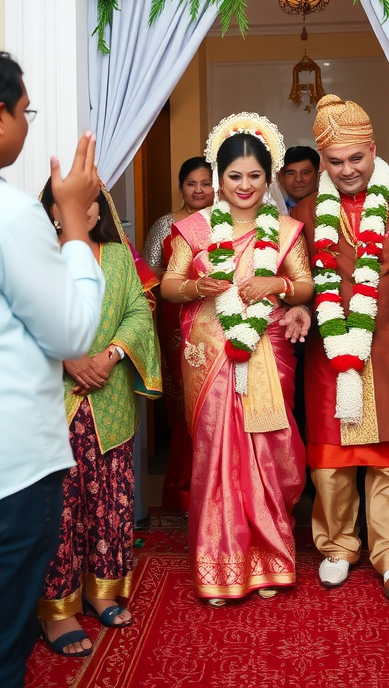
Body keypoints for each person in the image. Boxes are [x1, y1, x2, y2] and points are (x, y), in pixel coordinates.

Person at [161, 113, 314, 606]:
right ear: (218, 178)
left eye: (254, 175)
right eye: (234, 176)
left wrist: (279, 284)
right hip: (211, 352)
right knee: (215, 453)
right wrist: (194, 286)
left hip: (268, 349)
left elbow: (307, 283)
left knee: (271, 449)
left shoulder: (286, 228)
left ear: (268, 177)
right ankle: (221, 562)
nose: (245, 185)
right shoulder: (193, 229)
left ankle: (270, 557)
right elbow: (167, 285)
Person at [293, 94, 389, 602]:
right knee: (330, 460)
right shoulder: (303, 215)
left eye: (357, 158)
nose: (347, 170)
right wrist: (298, 306)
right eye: (335, 161)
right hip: (331, 354)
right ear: (322, 161)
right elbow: (299, 281)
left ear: (373, 151)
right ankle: (337, 547)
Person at [0, 52, 104, 688]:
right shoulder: (11, 214)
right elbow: (69, 330)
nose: (29, 124)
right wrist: (71, 223)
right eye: (25, 111)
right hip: (11, 471)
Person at [38, 179, 161, 656]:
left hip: (108, 401)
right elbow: (22, 316)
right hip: (54, 400)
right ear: (52, 208)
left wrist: (109, 356)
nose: (82, 208)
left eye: (91, 199)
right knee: (60, 507)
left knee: (107, 497)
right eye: (69, 199)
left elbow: (137, 311)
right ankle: (57, 611)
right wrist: (70, 359)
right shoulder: (36, 257)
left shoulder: (115, 256)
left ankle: (99, 590)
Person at [144, 156, 214, 511]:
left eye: (205, 182)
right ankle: (183, 491)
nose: (199, 190)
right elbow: (150, 277)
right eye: (192, 183)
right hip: (176, 322)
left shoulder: (227, 221)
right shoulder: (165, 224)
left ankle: (215, 490)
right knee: (184, 403)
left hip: (217, 319)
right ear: (181, 186)